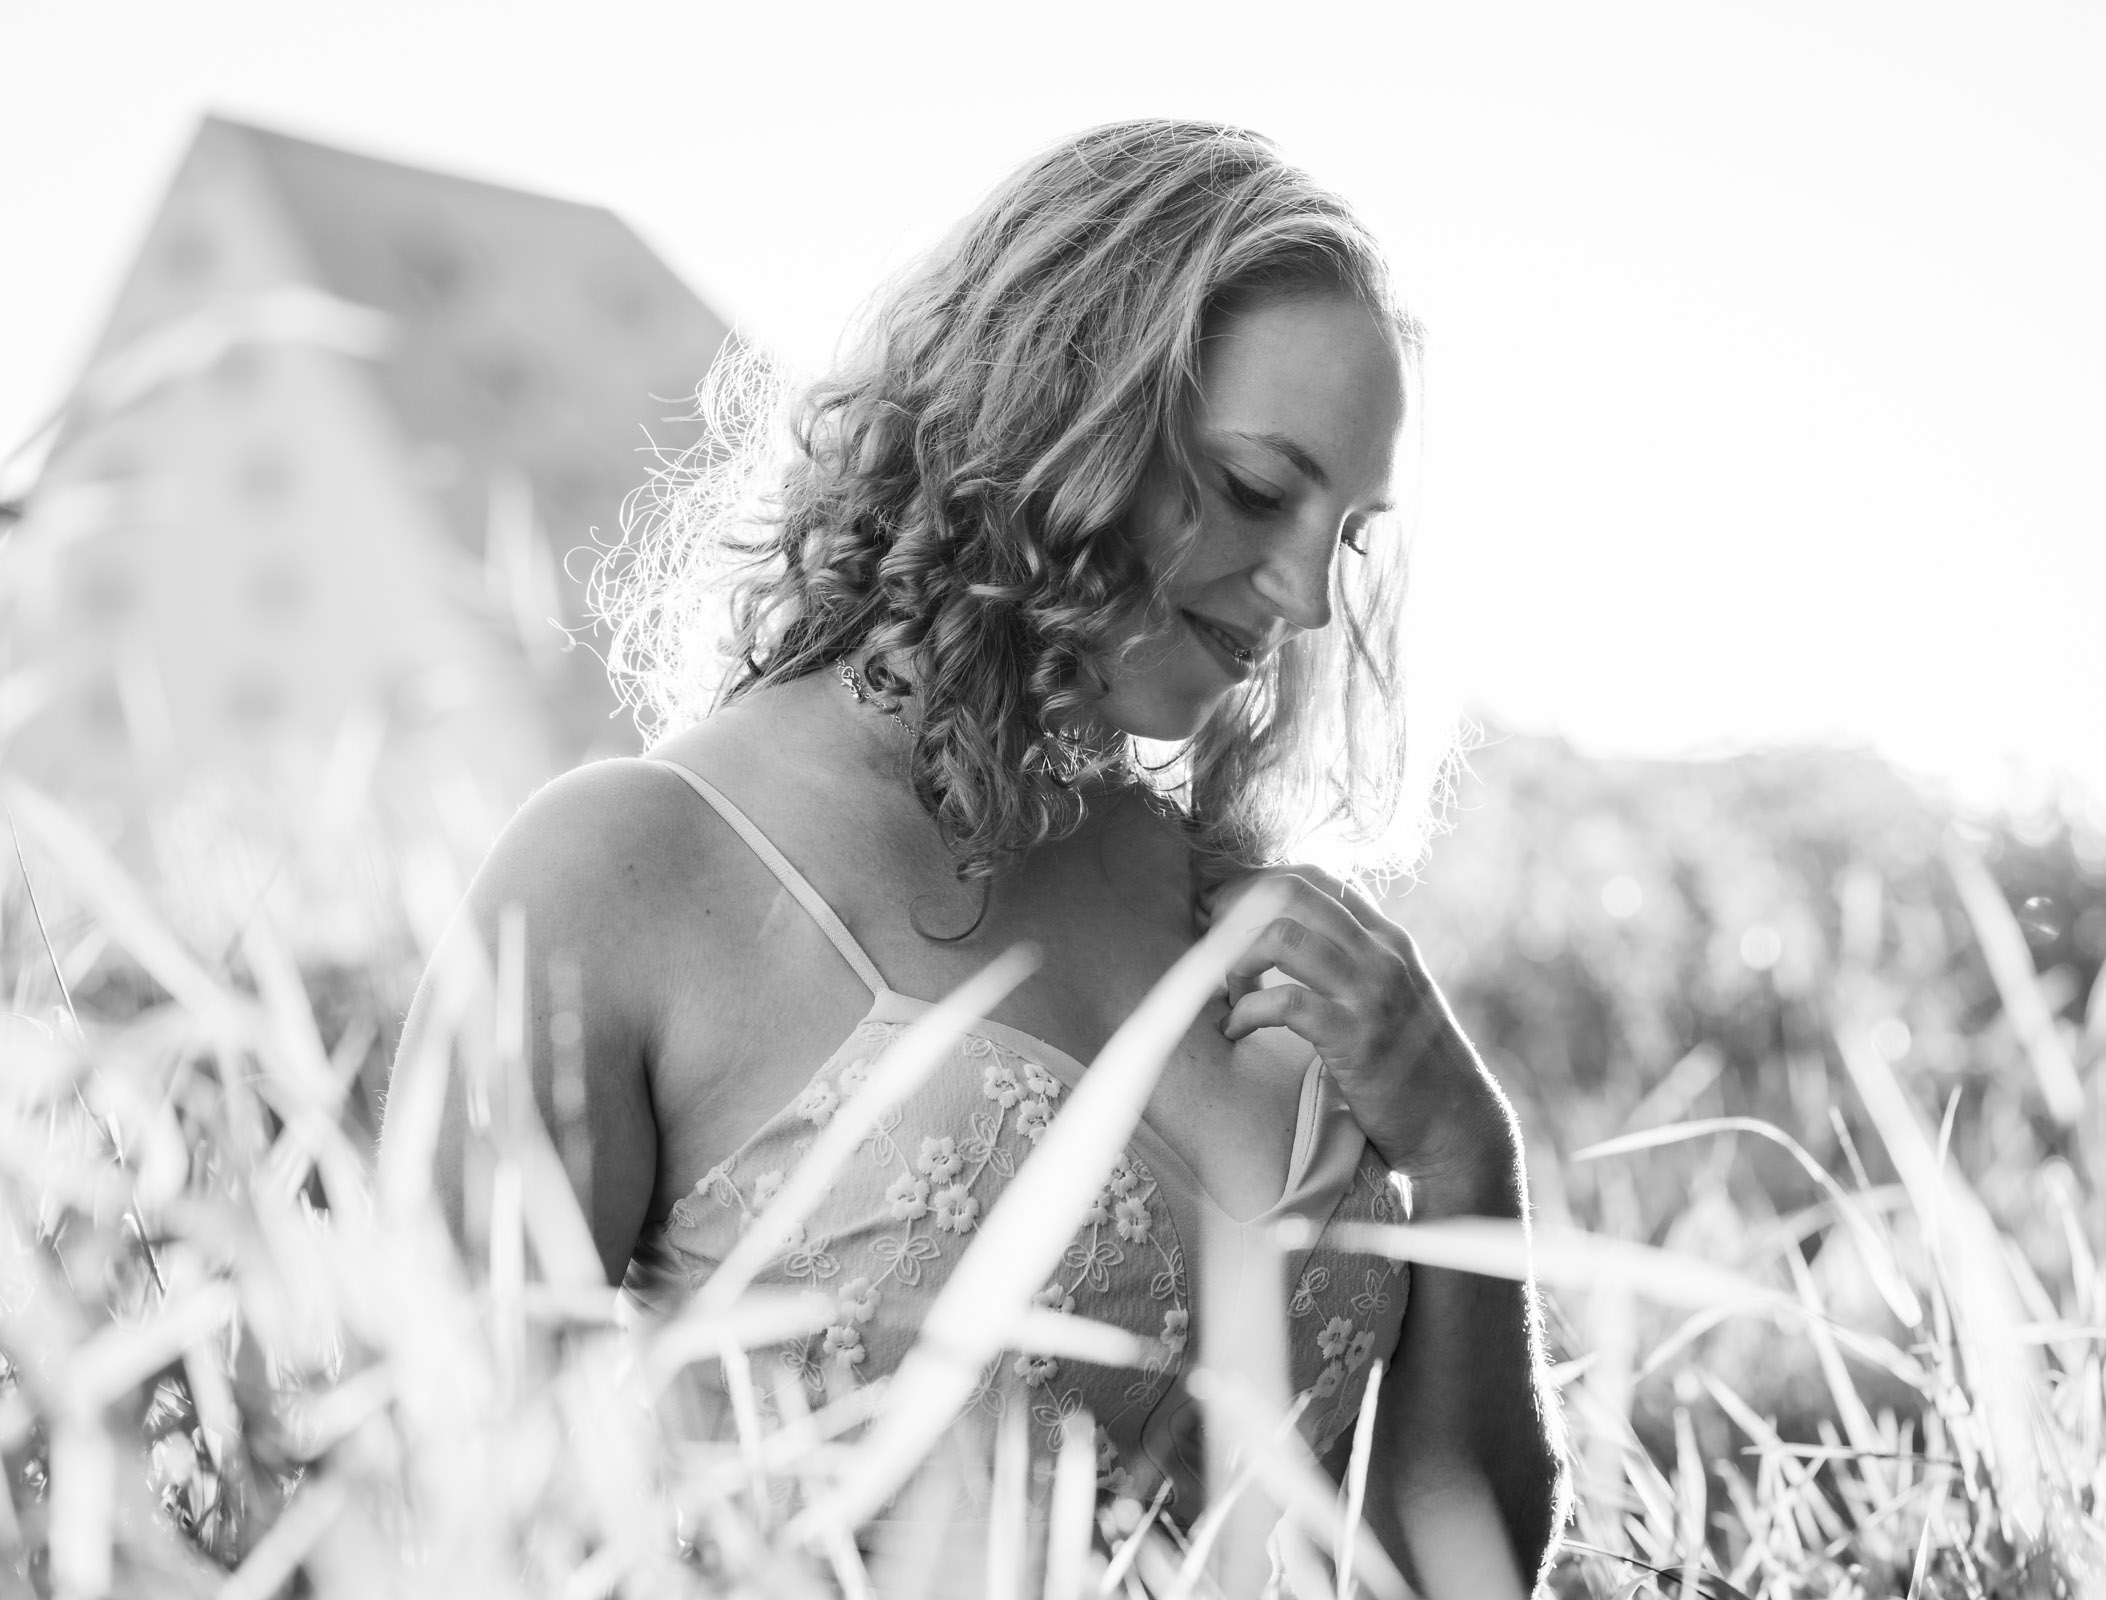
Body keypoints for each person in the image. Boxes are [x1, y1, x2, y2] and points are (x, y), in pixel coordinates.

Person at [398, 118, 1562, 1592]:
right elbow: (442, 1515)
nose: (1307, 600)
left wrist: (1464, 1153)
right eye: (1261, 491)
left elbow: (1460, 1575)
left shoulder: (1247, 918)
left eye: (1347, 537)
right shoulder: (625, 871)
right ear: (1060, 408)